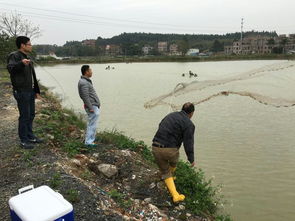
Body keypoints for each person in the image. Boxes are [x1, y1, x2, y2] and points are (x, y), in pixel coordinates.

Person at [152, 102, 195, 203]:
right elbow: (188, 143)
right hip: (170, 151)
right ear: (192, 113)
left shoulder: (170, 115)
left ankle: (168, 176)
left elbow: (160, 125)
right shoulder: (189, 124)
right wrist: (191, 159)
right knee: (171, 165)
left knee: (165, 170)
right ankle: (175, 195)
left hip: (155, 147)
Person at [7, 36, 43, 149]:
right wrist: (21, 63)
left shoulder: (27, 57)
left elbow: (33, 76)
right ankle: (23, 140)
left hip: (30, 91)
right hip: (21, 91)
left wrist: (36, 91)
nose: (31, 46)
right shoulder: (15, 56)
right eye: (29, 44)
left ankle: (30, 136)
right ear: (23, 45)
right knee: (24, 116)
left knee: (31, 114)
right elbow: (11, 69)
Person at [78, 65, 100, 147]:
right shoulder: (84, 82)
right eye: (90, 70)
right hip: (92, 106)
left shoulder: (85, 81)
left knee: (92, 124)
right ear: (86, 72)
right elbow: (85, 96)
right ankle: (88, 142)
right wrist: (90, 107)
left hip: (93, 105)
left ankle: (90, 140)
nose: (91, 72)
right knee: (92, 124)